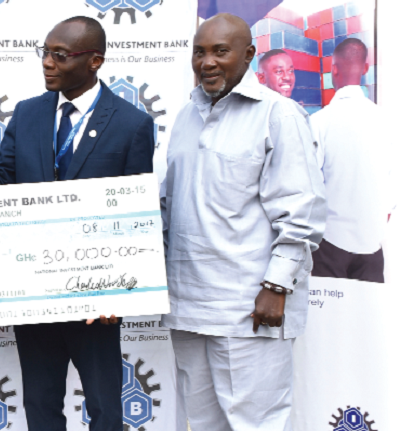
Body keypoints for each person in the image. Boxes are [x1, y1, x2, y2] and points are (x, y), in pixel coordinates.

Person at [0, 16, 155, 431]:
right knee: (41, 408)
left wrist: (118, 297)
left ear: (95, 61)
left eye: (59, 55)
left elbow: (136, 217)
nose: (47, 63)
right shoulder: (28, 114)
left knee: (105, 410)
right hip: (36, 295)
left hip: (96, 300)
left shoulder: (131, 124)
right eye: (44, 52)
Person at [159, 14, 325, 431]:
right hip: (187, 304)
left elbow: (300, 210)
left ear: (248, 55)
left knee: (256, 423)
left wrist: (276, 287)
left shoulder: (278, 115)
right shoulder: (185, 116)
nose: (208, 62)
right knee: (199, 423)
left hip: (249, 307)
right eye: (200, 52)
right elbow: (169, 204)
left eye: (220, 51)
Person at [310, 38, 394, 283]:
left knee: (328, 320)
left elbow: (310, 185)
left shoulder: (319, 122)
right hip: (372, 246)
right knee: (365, 319)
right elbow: (393, 183)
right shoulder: (386, 121)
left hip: (329, 245)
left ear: (333, 70)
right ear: (366, 68)